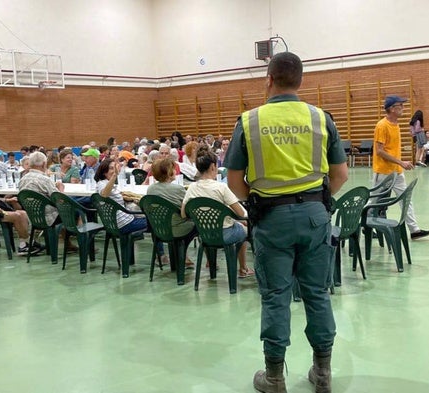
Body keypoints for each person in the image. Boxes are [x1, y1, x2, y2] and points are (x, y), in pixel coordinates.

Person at [224, 52, 349, 393]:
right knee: (317, 294)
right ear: (301, 81)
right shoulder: (321, 118)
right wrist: (318, 202)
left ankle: (275, 377)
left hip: (271, 218)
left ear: (268, 79)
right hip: (314, 216)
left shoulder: (249, 121)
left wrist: (263, 202)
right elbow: (340, 174)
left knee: (276, 296)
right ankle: (322, 372)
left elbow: (235, 183)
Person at [182, 147, 253, 278]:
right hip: (225, 233)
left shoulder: (191, 188)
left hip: (204, 234)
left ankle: (212, 265)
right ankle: (243, 268)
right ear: (214, 166)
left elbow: (183, 214)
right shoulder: (221, 187)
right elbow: (241, 213)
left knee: (222, 227)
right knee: (243, 229)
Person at [372, 96, 429, 240]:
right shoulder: (382, 125)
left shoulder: (396, 124)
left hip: (397, 171)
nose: (403, 108)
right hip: (383, 172)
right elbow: (379, 151)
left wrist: (400, 164)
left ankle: (414, 230)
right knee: (374, 202)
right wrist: (401, 162)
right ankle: (366, 226)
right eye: (400, 105)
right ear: (391, 108)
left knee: (406, 199)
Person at [147, 158, 196, 268]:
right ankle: (186, 255)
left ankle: (182, 255)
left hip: (159, 229)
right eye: (173, 168)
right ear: (169, 172)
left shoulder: (150, 189)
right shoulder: (178, 189)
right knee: (198, 224)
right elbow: (189, 209)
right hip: (178, 229)